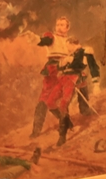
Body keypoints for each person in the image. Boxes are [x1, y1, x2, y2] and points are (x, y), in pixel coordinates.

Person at [31, 17, 100, 147]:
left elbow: (81, 59)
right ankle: (37, 130)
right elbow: (45, 41)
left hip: (69, 72)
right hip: (54, 70)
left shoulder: (71, 42)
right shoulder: (52, 37)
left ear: (68, 28)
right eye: (57, 24)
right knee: (46, 99)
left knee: (81, 81)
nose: (58, 27)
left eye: (62, 25)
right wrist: (36, 39)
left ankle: (84, 110)